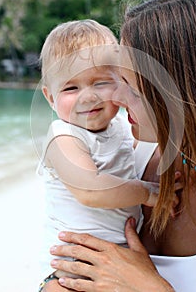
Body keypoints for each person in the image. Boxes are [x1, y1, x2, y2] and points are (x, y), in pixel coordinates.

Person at [43, 0, 196, 292]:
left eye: (128, 83)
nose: (114, 96)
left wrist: (152, 288)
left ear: (182, 94)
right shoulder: (134, 155)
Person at [37, 19, 163, 290]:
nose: (88, 97)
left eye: (100, 82)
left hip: (121, 261)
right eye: (71, 88)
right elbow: (91, 190)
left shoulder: (122, 129)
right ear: (50, 98)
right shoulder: (63, 137)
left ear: (120, 82)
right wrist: (148, 192)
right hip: (73, 267)